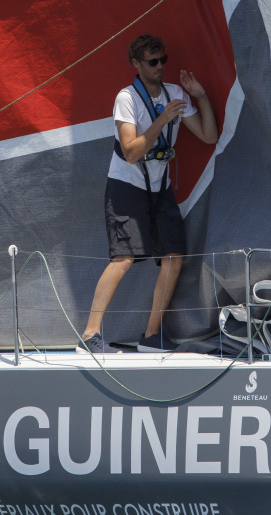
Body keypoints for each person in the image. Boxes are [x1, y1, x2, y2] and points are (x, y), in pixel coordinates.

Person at [78, 34, 218, 355]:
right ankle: (89, 335)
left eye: (163, 60)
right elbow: (130, 151)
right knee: (124, 258)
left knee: (174, 256)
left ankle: (151, 336)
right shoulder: (126, 98)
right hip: (127, 185)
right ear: (137, 65)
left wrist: (202, 97)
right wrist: (163, 118)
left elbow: (208, 136)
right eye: (152, 62)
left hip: (160, 187)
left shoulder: (175, 94)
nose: (159, 67)